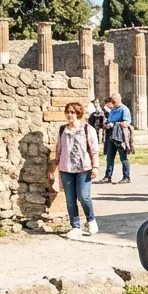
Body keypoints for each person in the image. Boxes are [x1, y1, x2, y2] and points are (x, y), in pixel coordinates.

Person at [48, 102, 99, 239]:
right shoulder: (62, 130)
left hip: (84, 167)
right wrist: (53, 169)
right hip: (66, 168)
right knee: (70, 199)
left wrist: (95, 167)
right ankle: (75, 226)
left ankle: (91, 219)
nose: (70, 115)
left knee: (84, 196)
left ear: (78, 114)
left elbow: (94, 150)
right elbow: (58, 151)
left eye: (72, 112)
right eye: (68, 112)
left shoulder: (88, 129)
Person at [99, 93, 132, 184]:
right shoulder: (113, 110)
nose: (113, 102)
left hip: (120, 136)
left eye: (114, 101)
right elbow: (109, 120)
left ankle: (126, 176)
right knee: (109, 157)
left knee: (123, 157)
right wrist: (106, 124)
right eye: (112, 101)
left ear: (119, 99)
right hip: (111, 136)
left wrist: (115, 124)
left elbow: (126, 123)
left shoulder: (124, 109)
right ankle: (108, 176)